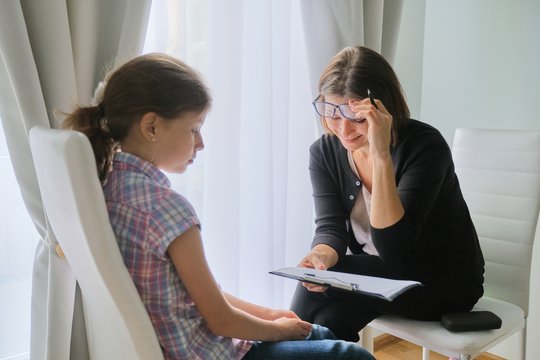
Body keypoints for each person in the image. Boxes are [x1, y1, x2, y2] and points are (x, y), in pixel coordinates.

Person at [63, 53, 374, 360]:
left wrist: (269, 315)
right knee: (349, 355)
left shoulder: (105, 186)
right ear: (152, 127)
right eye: (194, 129)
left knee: (316, 333)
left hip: (189, 345)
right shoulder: (166, 210)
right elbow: (220, 319)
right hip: (209, 353)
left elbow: (201, 296)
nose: (200, 143)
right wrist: (279, 330)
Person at [290, 46, 485, 343]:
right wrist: (320, 256)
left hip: (442, 282)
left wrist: (380, 154)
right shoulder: (324, 152)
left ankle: (275, 350)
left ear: (383, 109)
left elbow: (392, 246)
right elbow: (330, 228)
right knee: (329, 320)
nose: (343, 130)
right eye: (331, 112)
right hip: (378, 279)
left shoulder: (425, 146)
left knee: (332, 279)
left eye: (355, 117)